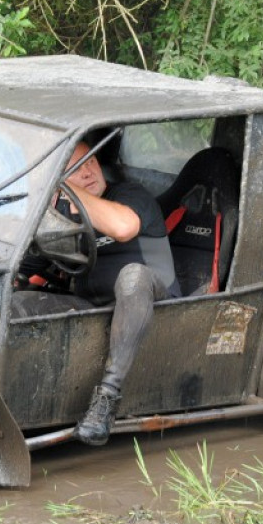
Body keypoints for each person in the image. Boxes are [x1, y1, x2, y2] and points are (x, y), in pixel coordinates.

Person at [59, 138, 181, 445]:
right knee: (26, 302)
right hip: (93, 305)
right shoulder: (59, 214)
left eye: (90, 161)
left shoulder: (129, 195)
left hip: (154, 302)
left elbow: (123, 227)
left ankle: (106, 400)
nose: (87, 171)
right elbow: (29, 268)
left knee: (132, 276)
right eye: (75, 168)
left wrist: (66, 187)